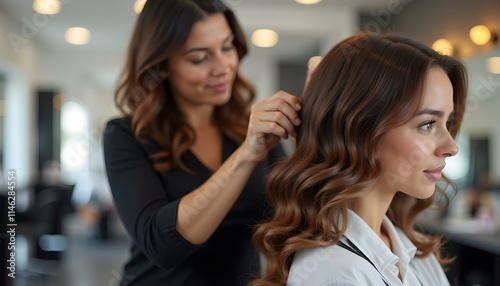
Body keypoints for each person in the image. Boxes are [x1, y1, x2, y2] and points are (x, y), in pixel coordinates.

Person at [102, 0, 302, 285]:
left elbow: (296, 214)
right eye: (199, 58)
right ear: (162, 66)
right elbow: (161, 244)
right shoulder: (124, 135)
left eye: (227, 46)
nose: (223, 67)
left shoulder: (252, 129)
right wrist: (246, 155)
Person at [250, 32, 468, 286]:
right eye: (428, 124)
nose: (451, 147)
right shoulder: (335, 275)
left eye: (447, 122)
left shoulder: (414, 254)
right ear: (360, 131)